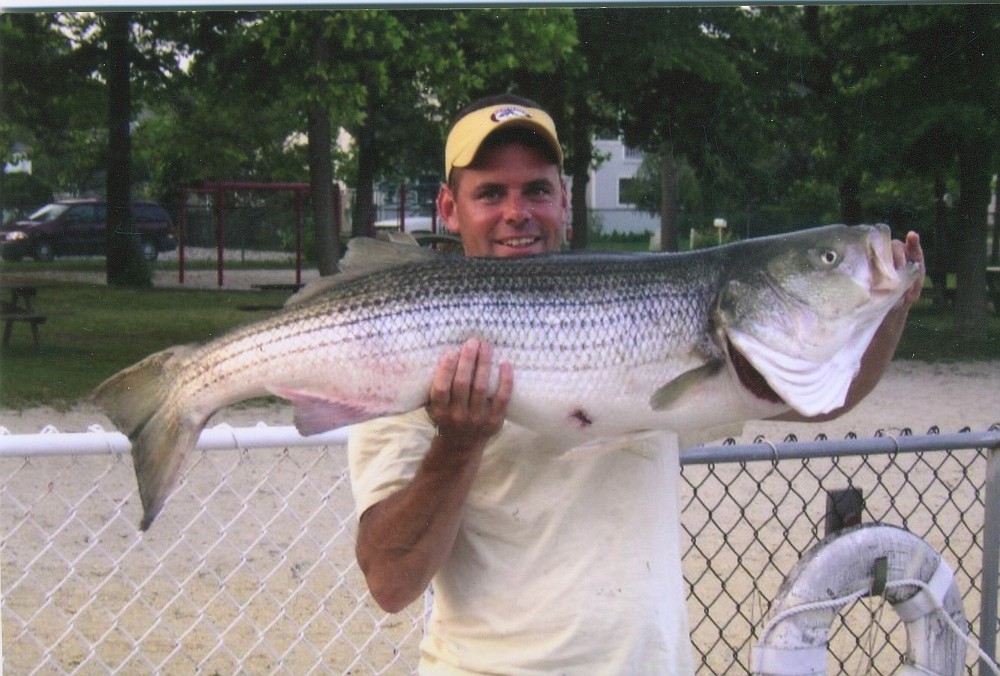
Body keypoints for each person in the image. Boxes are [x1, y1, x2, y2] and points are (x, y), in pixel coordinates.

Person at [348, 94, 925, 674]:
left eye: (537, 191)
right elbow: (391, 582)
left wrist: (887, 304)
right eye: (491, 192)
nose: (516, 211)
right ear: (449, 208)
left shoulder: (695, 346)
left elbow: (827, 399)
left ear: (566, 200)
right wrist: (458, 443)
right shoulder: (402, 350)